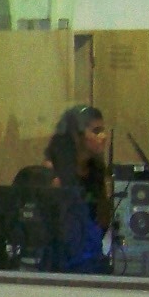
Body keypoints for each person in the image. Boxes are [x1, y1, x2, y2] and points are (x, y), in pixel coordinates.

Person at [42, 104, 111, 272]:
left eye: (103, 130)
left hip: (89, 258)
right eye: (96, 131)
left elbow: (102, 221)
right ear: (76, 135)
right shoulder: (53, 172)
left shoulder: (97, 170)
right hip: (60, 263)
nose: (104, 136)